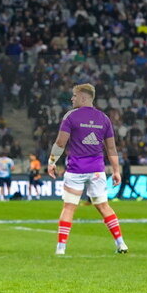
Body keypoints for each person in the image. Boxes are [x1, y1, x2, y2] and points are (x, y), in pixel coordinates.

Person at [47, 83, 128, 256]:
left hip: (76, 169)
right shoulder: (103, 118)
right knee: (104, 207)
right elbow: (111, 149)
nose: (72, 98)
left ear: (83, 97)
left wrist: (52, 161)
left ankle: (61, 249)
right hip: (97, 170)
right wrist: (116, 171)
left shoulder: (71, 116)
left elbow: (61, 143)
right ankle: (121, 243)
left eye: (74, 96)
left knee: (69, 207)